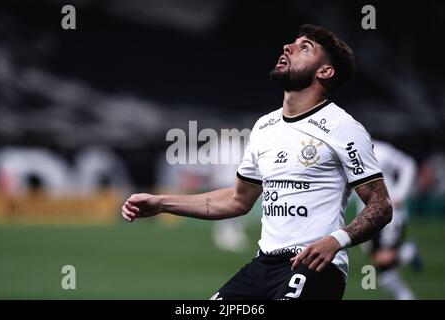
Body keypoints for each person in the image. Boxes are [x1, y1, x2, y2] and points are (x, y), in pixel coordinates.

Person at [121, 24, 393, 300]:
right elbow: (238, 200)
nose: (288, 48)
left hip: (315, 266)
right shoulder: (265, 126)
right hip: (264, 265)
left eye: (304, 48)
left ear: (325, 71)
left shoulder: (343, 127)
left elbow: (381, 205)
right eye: (291, 43)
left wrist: (338, 240)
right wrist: (161, 203)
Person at [354, 140, 421, 300]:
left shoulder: (382, 150)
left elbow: (408, 165)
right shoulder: (349, 151)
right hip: (367, 214)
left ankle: (408, 253)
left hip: (389, 211)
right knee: (383, 269)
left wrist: (400, 194)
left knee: (385, 259)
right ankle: (407, 253)